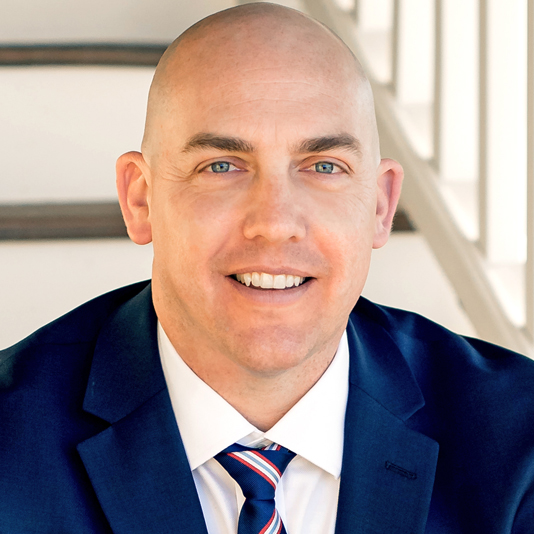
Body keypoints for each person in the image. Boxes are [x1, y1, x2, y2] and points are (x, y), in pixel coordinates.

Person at [1, 3, 533, 533]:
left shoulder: (518, 437)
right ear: (141, 199)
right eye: (221, 166)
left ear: (379, 205)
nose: (275, 223)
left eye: (324, 166)